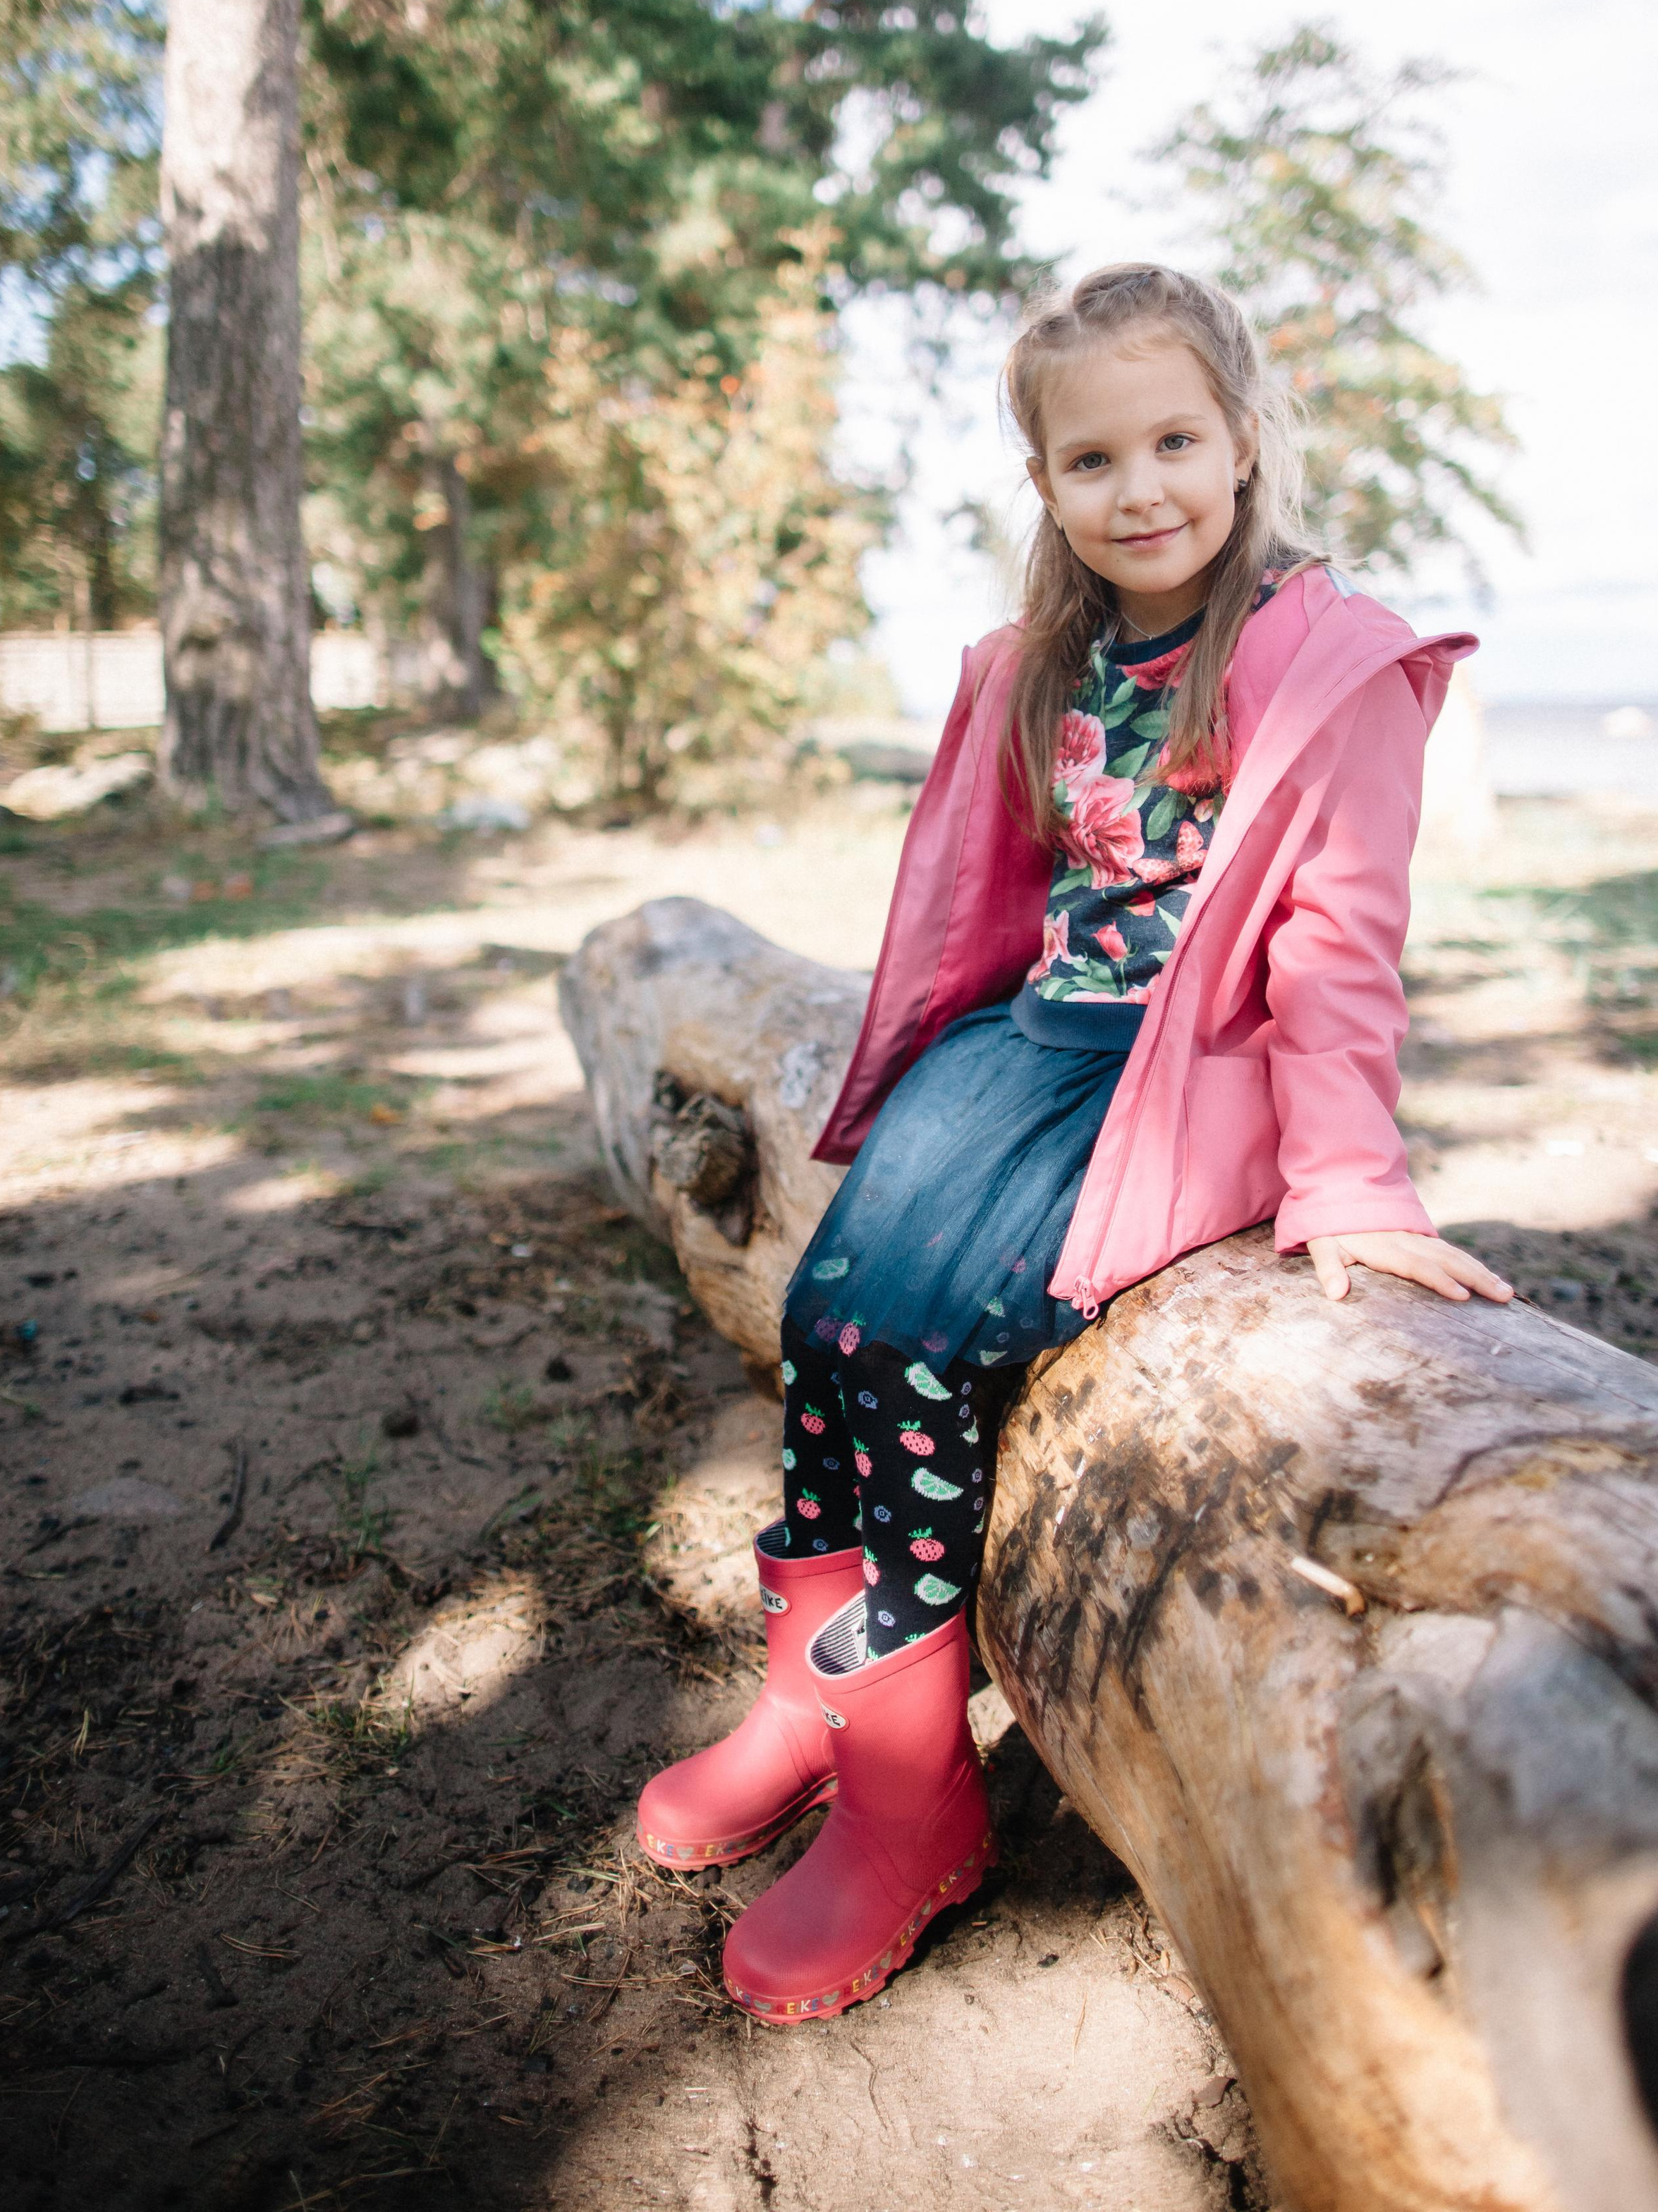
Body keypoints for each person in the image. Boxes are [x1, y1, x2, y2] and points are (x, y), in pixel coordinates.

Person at [637, 261, 1513, 2025]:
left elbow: (1334, 945)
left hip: (1189, 1070)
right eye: (1092, 459)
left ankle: (912, 1793)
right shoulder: (1048, 658)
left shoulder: (1318, 658)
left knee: (925, 1340)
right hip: (1039, 1041)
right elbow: (1008, 896)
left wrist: (1349, 1183)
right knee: (830, 1312)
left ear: (1244, 436)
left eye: (1174, 439)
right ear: (1042, 484)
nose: (1142, 488)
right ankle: (810, 1690)